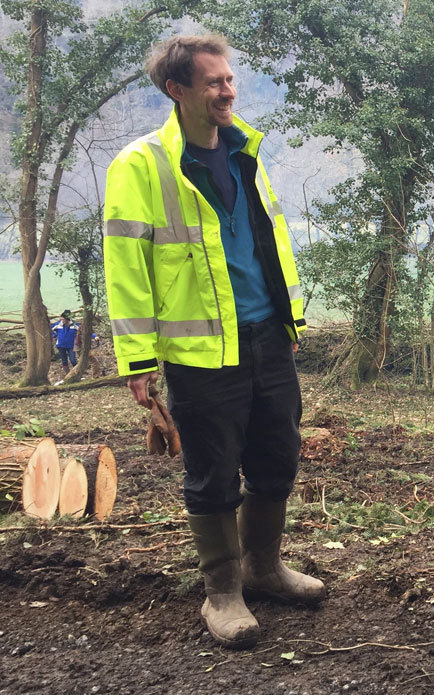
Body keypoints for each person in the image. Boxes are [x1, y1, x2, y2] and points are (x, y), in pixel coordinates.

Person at [103, 35, 321, 649]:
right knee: (213, 472)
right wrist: (138, 359)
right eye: (213, 82)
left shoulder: (245, 150)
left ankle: (264, 568)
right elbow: (126, 268)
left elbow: (269, 242)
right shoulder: (141, 165)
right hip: (199, 356)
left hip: (269, 340)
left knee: (277, 456)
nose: (228, 91)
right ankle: (222, 592)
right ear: (177, 91)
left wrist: (288, 321)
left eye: (229, 79)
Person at [50, 310, 79, 375]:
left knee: (73, 360)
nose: (61, 320)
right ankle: (67, 375)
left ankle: (77, 373)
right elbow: (50, 329)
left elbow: (83, 331)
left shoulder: (74, 325)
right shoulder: (58, 324)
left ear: (67, 319)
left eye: (63, 319)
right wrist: (54, 335)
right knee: (64, 361)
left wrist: (94, 336)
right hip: (61, 346)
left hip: (71, 346)